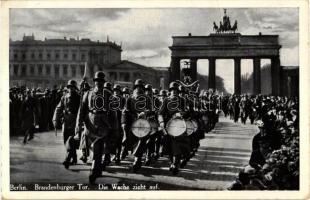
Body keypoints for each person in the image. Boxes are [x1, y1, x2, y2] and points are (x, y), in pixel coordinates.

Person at [75, 71, 112, 184]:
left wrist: (114, 127)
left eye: (101, 81)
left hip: (103, 123)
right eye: (97, 81)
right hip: (90, 122)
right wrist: (79, 125)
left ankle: (94, 169)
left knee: (98, 147)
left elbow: (113, 112)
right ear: (94, 82)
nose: (99, 83)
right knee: (92, 146)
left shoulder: (108, 94)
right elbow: (82, 110)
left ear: (103, 82)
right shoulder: (88, 93)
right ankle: (97, 167)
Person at [158, 82, 191, 175]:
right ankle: (173, 162)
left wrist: (181, 113)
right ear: (170, 91)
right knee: (168, 145)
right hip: (169, 125)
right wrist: (161, 122)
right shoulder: (166, 100)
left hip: (180, 125)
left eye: (176, 91)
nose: (174, 92)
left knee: (180, 144)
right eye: (173, 90)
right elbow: (160, 113)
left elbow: (187, 110)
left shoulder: (182, 100)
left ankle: (176, 163)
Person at [53, 80, 80, 169]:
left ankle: (67, 159)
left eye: (72, 87)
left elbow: (82, 110)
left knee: (70, 140)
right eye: (69, 87)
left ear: (75, 88)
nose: (70, 89)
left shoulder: (79, 97)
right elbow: (58, 108)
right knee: (66, 140)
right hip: (66, 120)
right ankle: (74, 157)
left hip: (75, 120)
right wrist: (55, 119)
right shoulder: (64, 97)